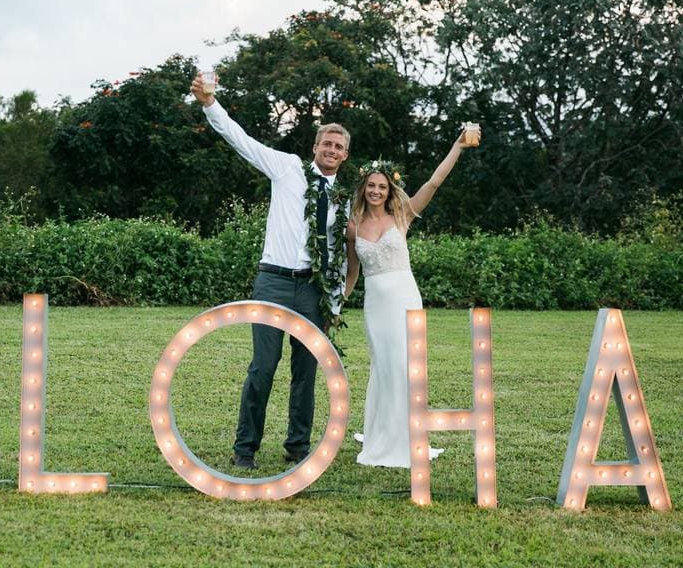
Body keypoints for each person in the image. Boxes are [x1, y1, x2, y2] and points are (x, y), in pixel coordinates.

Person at [190, 73, 350, 470]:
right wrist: (210, 103)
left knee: (306, 370)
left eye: (339, 147)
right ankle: (245, 449)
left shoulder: (347, 197)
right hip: (273, 281)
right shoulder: (286, 168)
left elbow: (342, 253)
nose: (331, 150)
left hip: (313, 289)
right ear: (315, 147)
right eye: (326, 143)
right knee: (263, 366)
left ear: (345, 155)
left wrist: (333, 301)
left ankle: (298, 447)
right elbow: (240, 139)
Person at [343, 125, 481, 467]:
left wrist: (457, 147)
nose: (376, 191)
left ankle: (407, 436)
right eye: (371, 186)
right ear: (363, 189)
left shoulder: (401, 215)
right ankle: (380, 434)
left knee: (405, 365)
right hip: (375, 302)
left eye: (382, 186)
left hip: (404, 296)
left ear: (390, 190)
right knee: (384, 366)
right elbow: (353, 271)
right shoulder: (352, 227)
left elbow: (433, 183)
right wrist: (338, 301)